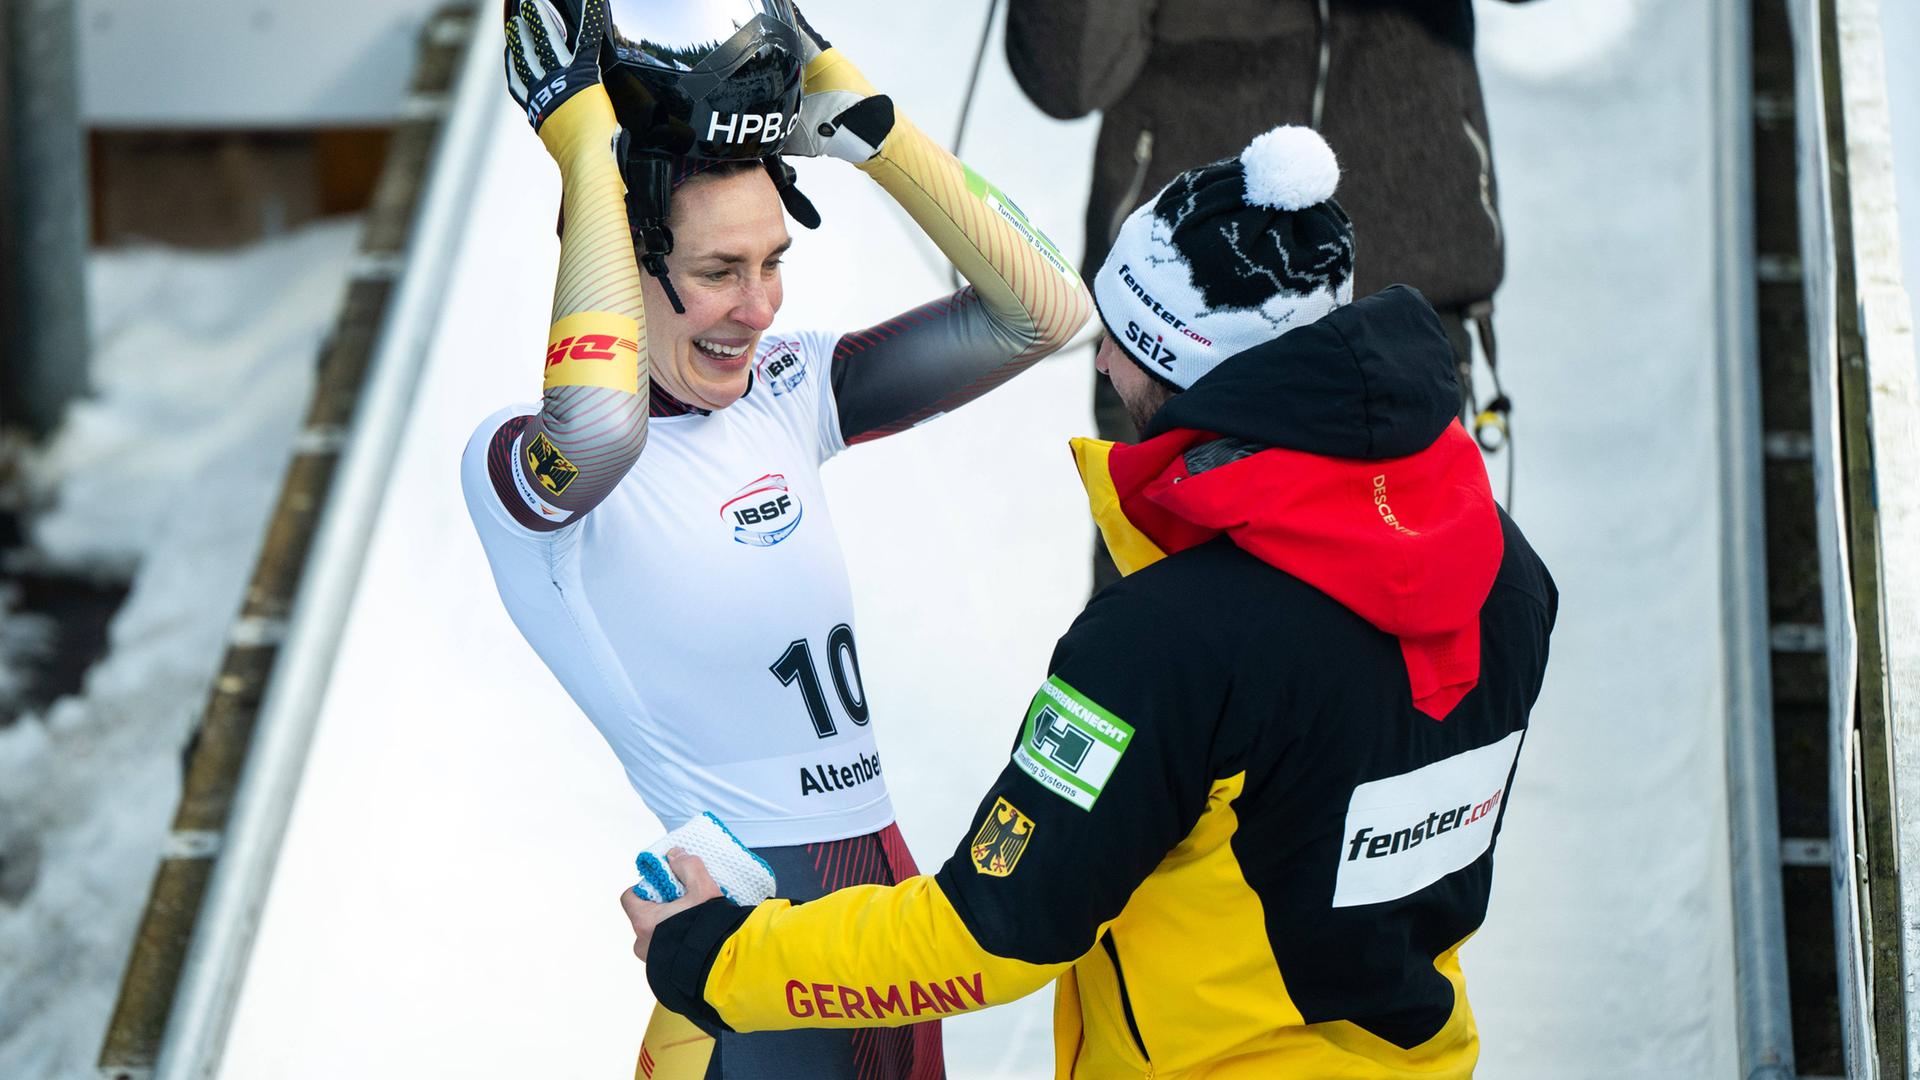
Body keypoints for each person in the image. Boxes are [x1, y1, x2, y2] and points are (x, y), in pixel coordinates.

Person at [624, 127, 1557, 1079]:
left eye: (1118, 340)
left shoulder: (1171, 644)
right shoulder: (1507, 571)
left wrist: (718, 956)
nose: (1102, 366)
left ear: (1180, 364)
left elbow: (994, 931)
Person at [463, 1, 1091, 1077]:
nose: (757, 309)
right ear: (619, 260)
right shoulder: (530, 463)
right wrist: (582, 149)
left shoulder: (784, 392)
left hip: (883, 923)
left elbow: (1043, 308)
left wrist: (865, 121)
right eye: (718, 272)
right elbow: (604, 427)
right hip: (748, 941)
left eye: (774, 264)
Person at [1003, 0, 1530, 591]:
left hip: (1403, 327)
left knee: (1381, 639)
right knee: (1159, 634)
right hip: (1175, 323)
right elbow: (1064, 77)